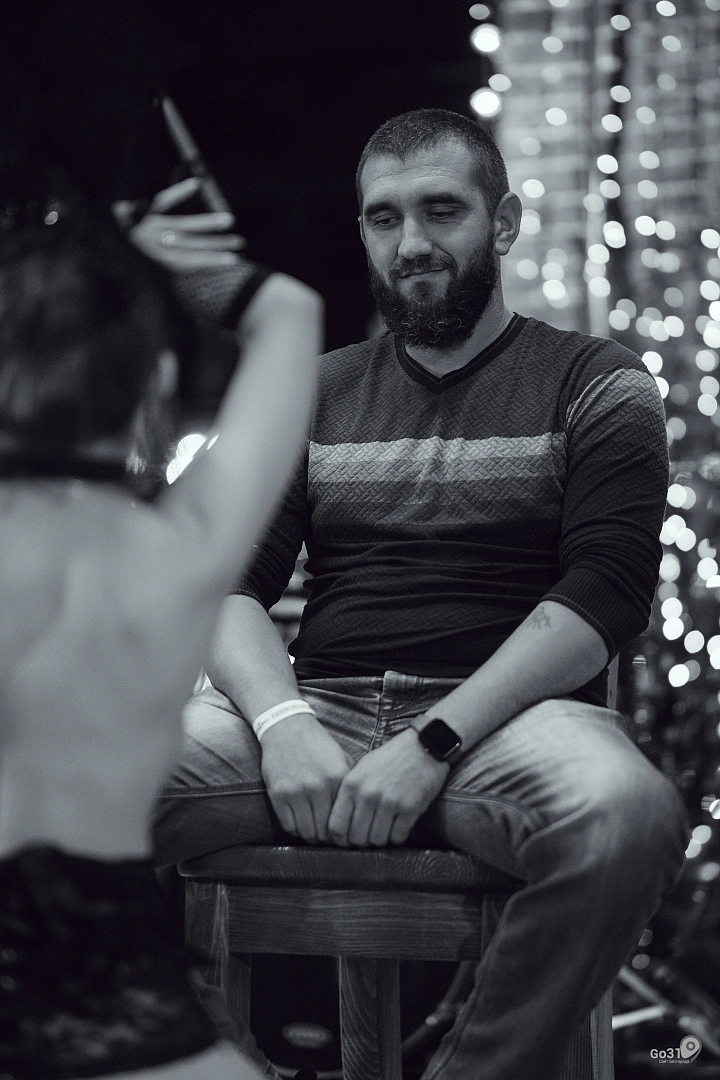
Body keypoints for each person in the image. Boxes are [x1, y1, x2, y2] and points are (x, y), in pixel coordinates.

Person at [154, 108, 689, 1080]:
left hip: (507, 726)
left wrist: (432, 742)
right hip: (316, 711)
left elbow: (604, 597)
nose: (411, 243)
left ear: (504, 222)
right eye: (384, 217)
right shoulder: (310, 390)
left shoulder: (598, 382)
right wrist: (282, 724)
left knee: (627, 816)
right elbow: (226, 588)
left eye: (442, 211)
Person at [0, 210, 321, 1079]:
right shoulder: (182, 550)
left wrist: (93, 261)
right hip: (127, 1006)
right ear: (158, 381)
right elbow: (290, 312)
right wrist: (149, 268)